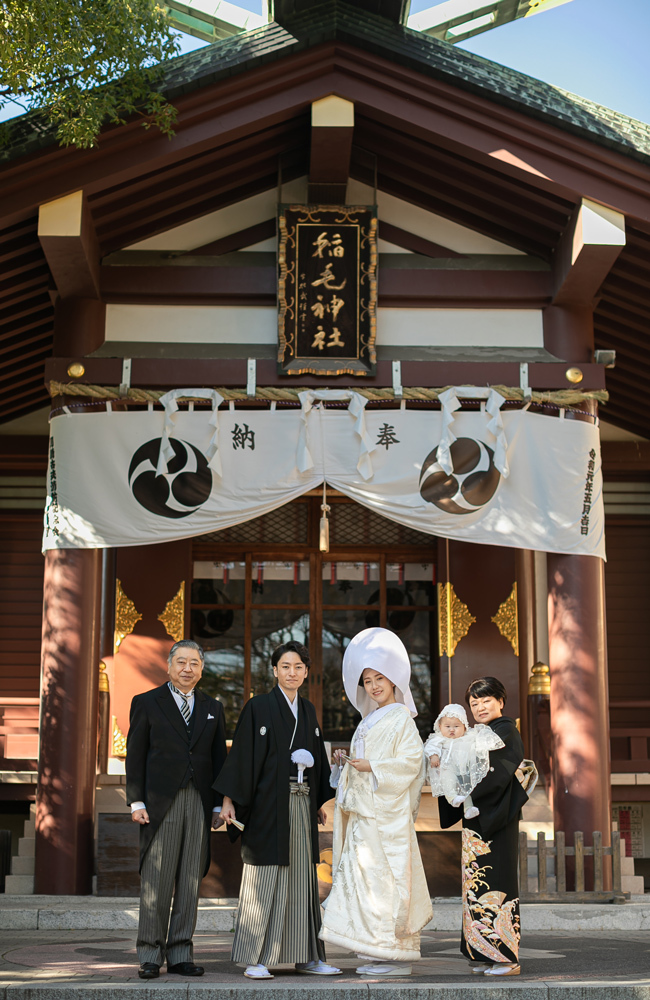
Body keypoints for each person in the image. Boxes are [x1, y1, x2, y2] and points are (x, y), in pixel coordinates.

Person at [213, 640, 341, 980]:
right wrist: (228, 799)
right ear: (274, 670)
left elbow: (315, 761)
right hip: (268, 803)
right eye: (285, 666)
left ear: (306, 672)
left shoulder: (309, 710)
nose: (292, 673)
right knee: (264, 874)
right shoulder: (258, 707)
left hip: (300, 803)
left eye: (298, 667)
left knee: (303, 878)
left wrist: (314, 804)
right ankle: (256, 957)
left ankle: (307, 956)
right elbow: (241, 755)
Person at [319, 627, 433, 978]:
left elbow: (412, 763)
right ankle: (376, 949)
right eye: (367, 680)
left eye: (380, 678)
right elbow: (362, 762)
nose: (373, 686)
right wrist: (345, 763)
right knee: (366, 884)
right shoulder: (368, 719)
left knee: (385, 884)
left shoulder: (401, 717)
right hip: (366, 816)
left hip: (386, 818)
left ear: (394, 679)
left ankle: (395, 955)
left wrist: (374, 767)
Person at [126, 639, 227, 980]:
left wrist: (217, 804)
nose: (187, 668)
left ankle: (181, 952)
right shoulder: (147, 702)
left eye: (194, 663)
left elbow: (218, 760)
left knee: (189, 879)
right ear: (168, 666)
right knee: (156, 879)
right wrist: (136, 800)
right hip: (159, 803)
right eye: (181, 662)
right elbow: (135, 754)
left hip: (198, 801)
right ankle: (150, 954)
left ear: (202, 669)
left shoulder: (213, 707)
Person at [437, 676, 529, 978]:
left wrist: (467, 790)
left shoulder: (506, 731)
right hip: (476, 816)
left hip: (496, 817)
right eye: (474, 703)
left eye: (486, 700)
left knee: (497, 883)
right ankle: (482, 953)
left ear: (501, 701)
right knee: (476, 886)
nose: (479, 707)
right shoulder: (480, 732)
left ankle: (506, 958)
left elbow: (498, 774)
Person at [424, 703, 504, 820]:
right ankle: (452, 798)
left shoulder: (468, 737)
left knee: (467, 788)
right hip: (447, 768)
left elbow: (479, 742)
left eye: (456, 726)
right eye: (447, 727)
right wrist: (434, 756)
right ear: (440, 727)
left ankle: (468, 809)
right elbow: (430, 747)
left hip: (464, 770)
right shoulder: (439, 739)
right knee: (448, 779)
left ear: (465, 727)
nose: (452, 730)